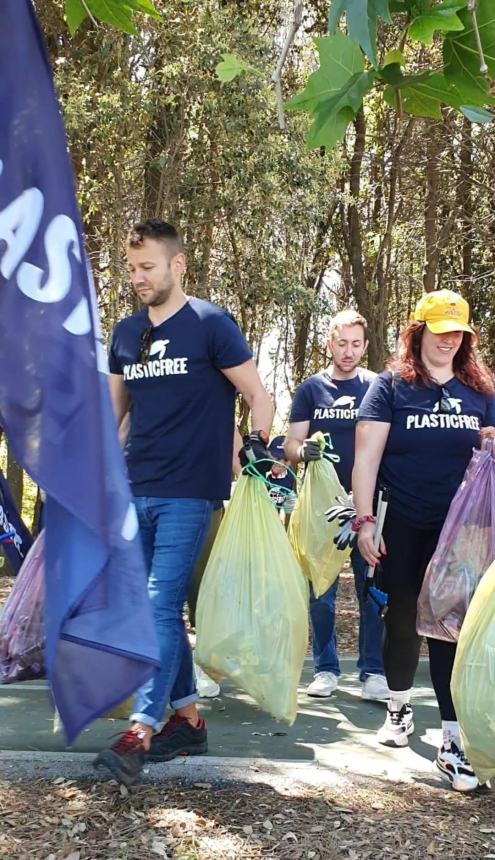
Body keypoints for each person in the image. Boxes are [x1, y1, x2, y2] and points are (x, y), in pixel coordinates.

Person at [94, 219, 273, 785]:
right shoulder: (125, 334)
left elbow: (257, 397)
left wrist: (261, 451)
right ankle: (188, 718)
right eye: (131, 268)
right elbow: (112, 417)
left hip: (190, 493)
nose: (137, 277)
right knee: (152, 610)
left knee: (158, 603)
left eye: (147, 267)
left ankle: (142, 728)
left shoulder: (211, 325)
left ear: (178, 265)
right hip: (134, 489)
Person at [354, 289, 495, 791]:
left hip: (461, 530)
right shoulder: (392, 386)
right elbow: (366, 458)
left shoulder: (480, 390)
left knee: (448, 625)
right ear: (419, 333)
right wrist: (365, 519)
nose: (449, 340)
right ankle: (397, 705)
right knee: (404, 615)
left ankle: (453, 739)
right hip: (403, 521)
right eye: (440, 331)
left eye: (458, 332)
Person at [284, 310, 388, 702]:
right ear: (329, 343)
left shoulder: (377, 387)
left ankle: (373, 672)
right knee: (320, 591)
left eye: (356, 344)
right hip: (321, 508)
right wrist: (303, 450)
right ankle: (325, 668)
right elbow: (291, 446)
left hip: (366, 505)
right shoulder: (312, 388)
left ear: (365, 345)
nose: (348, 351)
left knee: (372, 589)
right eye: (341, 343)